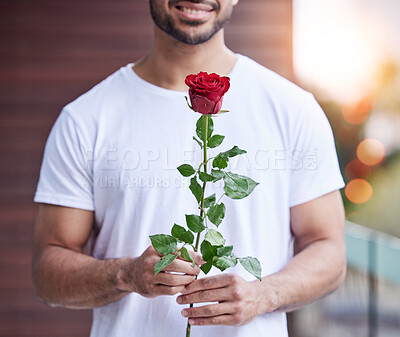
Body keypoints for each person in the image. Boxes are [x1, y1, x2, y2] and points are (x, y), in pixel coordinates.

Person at [32, 0, 346, 336]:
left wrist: (264, 295)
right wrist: (127, 274)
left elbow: (329, 250)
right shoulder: (85, 120)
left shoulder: (293, 110)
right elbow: (48, 269)